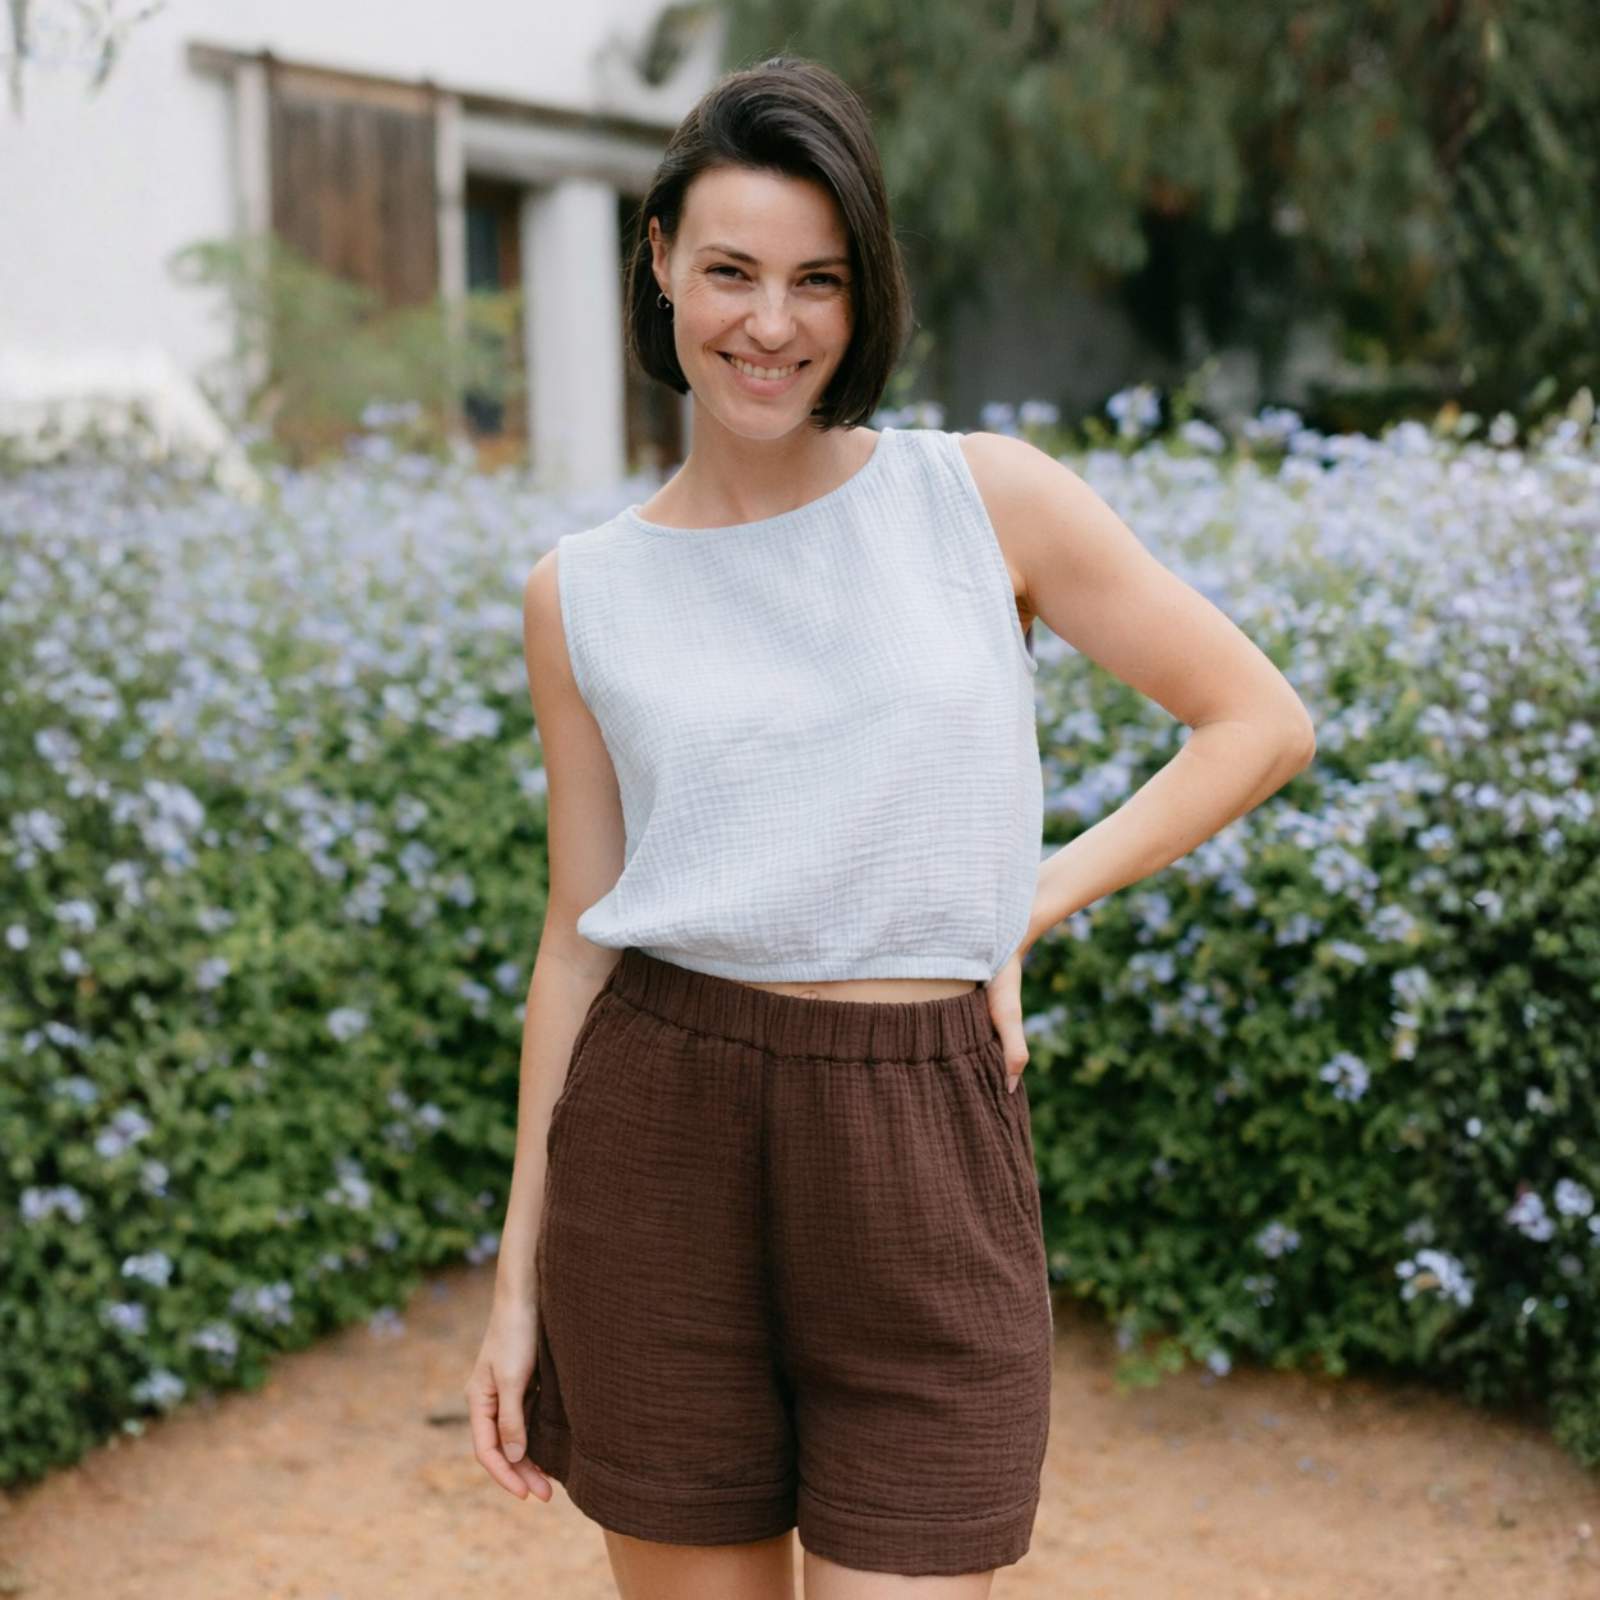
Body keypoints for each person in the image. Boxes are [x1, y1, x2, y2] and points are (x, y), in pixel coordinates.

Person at [465, 54, 1316, 1600]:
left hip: (920, 1142)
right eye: (730, 271)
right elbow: (576, 944)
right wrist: (515, 1284)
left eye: (819, 280)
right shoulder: (579, 593)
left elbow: (1256, 722)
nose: (770, 323)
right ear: (658, 261)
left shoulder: (983, 501)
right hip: (656, 1141)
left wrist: (1018, 908)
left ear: (865, 296)